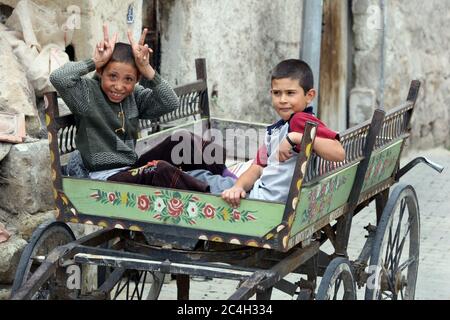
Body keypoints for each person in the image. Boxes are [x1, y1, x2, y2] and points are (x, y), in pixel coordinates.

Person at [50, 25, 222, 192]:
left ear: (137, 79)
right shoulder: (87, 93)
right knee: (159, 170)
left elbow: (170, 102)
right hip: (105, 180)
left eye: (128, 79)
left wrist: (146, 68)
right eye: (113, 76)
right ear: (101, 71)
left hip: (129, 169)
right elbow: (58, 78)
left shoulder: (134, 96)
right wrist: (95, 61)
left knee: (183, 141)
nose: (119, 86)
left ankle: (229, 181)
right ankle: (211, 196)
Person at [221, 59, 345, 208]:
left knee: (198, 177)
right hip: (255, 193)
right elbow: (257, 166)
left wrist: (295, 138)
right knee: (208, 176)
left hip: (262, 203)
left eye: (290, 93)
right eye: (277, 93)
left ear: (309, 95)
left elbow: (339, 153)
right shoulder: (279, 128)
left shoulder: (300, 121)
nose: (282, 100)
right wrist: (238, 187)